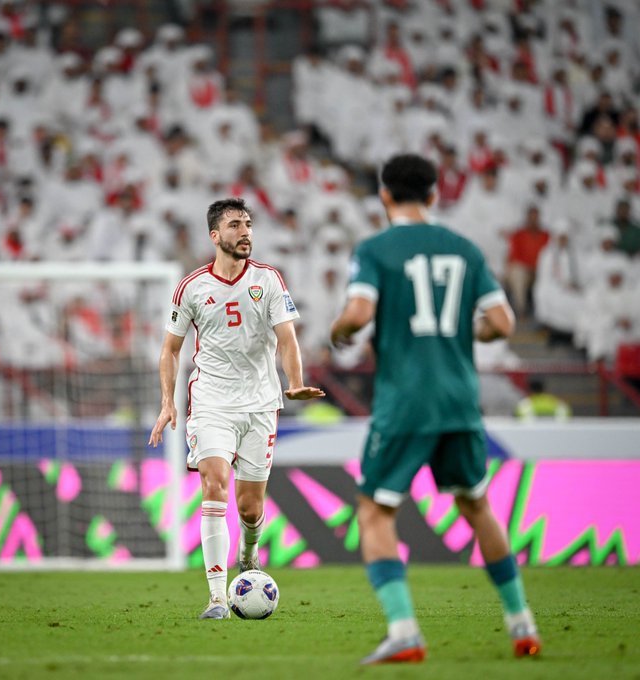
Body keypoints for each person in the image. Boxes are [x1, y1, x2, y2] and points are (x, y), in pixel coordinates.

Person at [330, 154, 541, 665]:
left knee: (375, 511)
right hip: (460, 399)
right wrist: (464, 332)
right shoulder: (465, 249)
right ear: (433, 195)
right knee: (477, 505)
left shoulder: (375, 249)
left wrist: (339, 331)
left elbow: (359, 312)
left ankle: (404, 631)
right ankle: (522, 624)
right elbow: (503, 323)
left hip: (406, 401)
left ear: (384, 196)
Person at [148, 197, 324, 620]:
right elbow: (170, 350)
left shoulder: (268, 279)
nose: (245, 232)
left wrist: (294, 382)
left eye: (248, 224)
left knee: (249, 508)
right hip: (211, 401)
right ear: (215, 235)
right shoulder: (191, 287)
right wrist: (167, 402)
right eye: (234, 225)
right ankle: (216, 598)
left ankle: (249, 552)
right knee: (213, 484)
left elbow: (287, 338)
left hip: (261, 403)